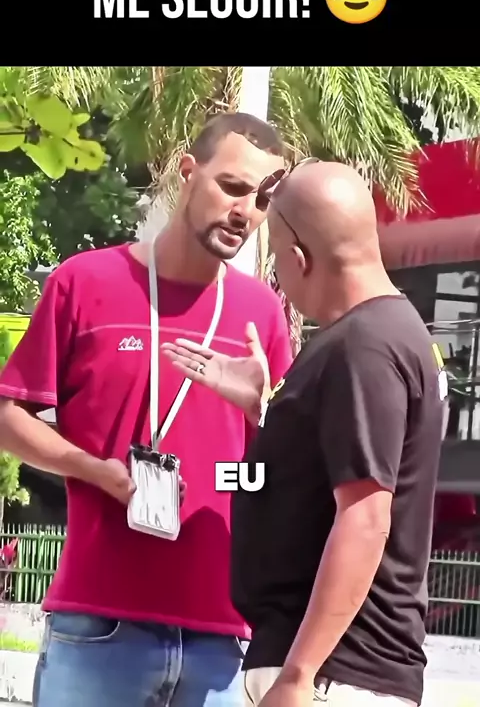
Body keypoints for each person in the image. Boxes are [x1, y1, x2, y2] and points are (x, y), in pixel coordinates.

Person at [0, 112, 293, 707]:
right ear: (187, 172)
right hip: (98, 622)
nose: (245, 211)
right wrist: (95, 471)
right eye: (232, 187)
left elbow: (281, 478)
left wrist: (261, 411)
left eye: (262, 199)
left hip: (221, 638)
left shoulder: (261, 313)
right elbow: (9, 418)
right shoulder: (84, 282)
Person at [162, 160, 446, 707]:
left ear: (298, 258)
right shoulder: (388, 334)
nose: (281, 281)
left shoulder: (363, 346)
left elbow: (365, 516)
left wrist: (299, 674)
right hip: (331, 667)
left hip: (334, 673)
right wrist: (265, 409)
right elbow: (323, 476)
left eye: (277, 260)